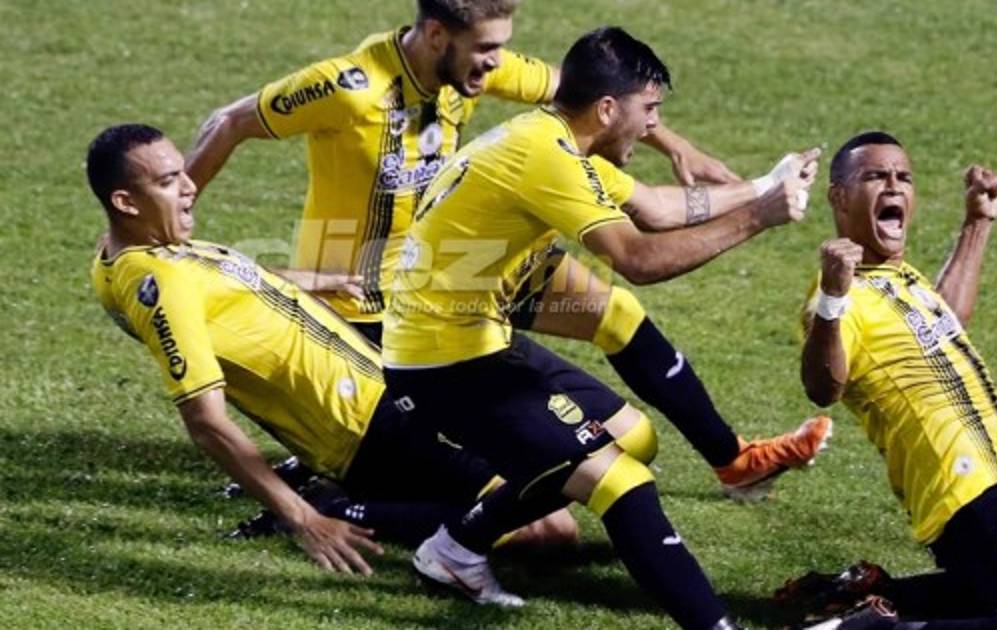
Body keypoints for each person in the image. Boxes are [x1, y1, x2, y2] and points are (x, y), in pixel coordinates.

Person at [186, 0, 831, 503]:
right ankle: (352, 491)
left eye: (501, 47)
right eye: (486, 48)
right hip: (373, 297)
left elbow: (589, 93)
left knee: (617, 315)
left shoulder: (472, 66)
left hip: (472, 260)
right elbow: (226, 121)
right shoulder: (348, 87)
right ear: (436, 35)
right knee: (613, 443)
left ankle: (734, 461)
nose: (497, 63)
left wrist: (675, 145)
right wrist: (174, 232)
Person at [382, 27, 820, 628]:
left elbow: (657, 209)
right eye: (650, 110)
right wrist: (758, 218)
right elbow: (638, 258)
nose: (654, 126)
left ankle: (456, 548)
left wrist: (767, 184)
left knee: (633, 437)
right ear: (608, 109)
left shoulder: (555, 139)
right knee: (621, 479)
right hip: (444, 365)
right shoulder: (546, 158)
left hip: (480, 332)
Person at [86, 123, 574, 575]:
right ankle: (334, 509)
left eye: (182, 172)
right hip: (366, 429)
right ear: (126, 203)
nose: (190, 186)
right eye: (168, 181)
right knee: (548, 530)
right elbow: (205, 421)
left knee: (557, 467)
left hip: (386, 386)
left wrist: (312, 281)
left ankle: (344, 495)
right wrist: (302, 518)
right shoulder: (159, 283)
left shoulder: (138, 250)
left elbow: (224, 286)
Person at [796, 132, 997, 630]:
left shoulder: (901, 276)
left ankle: (880, 596)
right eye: (875, 176)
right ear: (839, 197)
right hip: (965, 489)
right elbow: (822, 387)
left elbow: (947, 320)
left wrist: (977, 223)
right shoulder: (840, 296)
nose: (894, 185)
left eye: (903, 176)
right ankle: (874, 629)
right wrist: (833, 295)